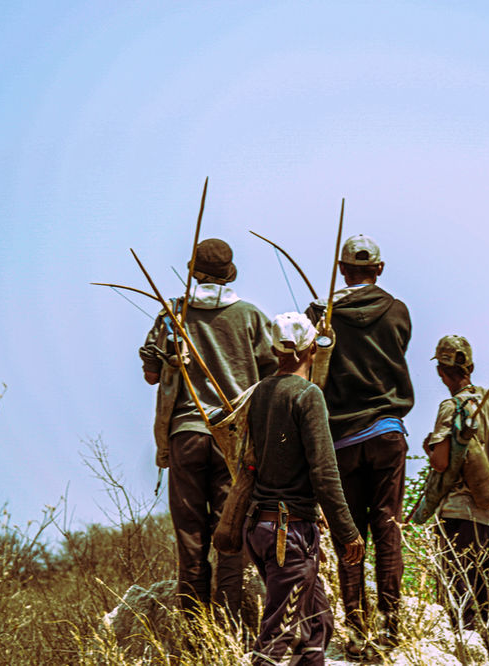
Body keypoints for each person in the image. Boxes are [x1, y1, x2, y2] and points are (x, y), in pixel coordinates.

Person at [138, 238, 277, 623]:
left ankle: (196, 627)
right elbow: (273, 375)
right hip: (232, 439)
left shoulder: (172, 315)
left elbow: (151, 375)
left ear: (194, 272)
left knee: (190, 535)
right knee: (230, 530)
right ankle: (228, 624)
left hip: (185, 435)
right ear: (229, 274)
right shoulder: (251, 316)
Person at [305, 234, 414, 658]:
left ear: (341, 269)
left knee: (349, 533)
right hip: (387, 432)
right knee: (388, 526)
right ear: (379, 269)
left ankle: (356, 630)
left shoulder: (322, 315)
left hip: (344, 439)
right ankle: (389, 625)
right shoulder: (399, 311)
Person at [245, 312, 365, 665]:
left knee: (316, 627)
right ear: (312, 348)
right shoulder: (308, 395)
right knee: (278, 637)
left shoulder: (261, 392)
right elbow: (324, 472)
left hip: (261, 529)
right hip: (290, 534)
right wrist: (348, 532)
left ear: (273, 350)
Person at [422, 335, 489, 656]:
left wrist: (429, 447)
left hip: (458, 517)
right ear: (470, 367)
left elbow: (441, 462)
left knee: (459, 606)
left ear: (441, 372)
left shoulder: (450, 407)